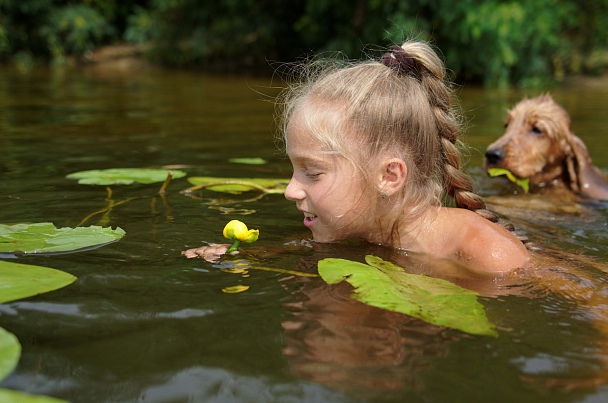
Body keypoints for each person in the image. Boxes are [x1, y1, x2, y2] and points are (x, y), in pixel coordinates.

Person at [183, 40, 531, 273]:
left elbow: (574, 296)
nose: (290, 191)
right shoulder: (361, 224)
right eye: (295, 170)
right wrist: (248, 255)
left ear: (389, 177)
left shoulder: (487, 254)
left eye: (313, 174)